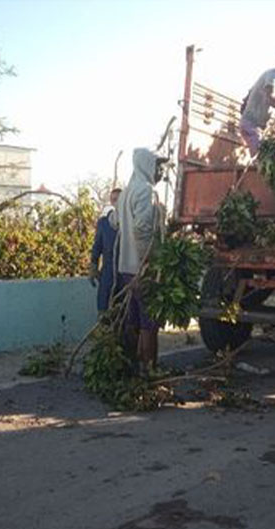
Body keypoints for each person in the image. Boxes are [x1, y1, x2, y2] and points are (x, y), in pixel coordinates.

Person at [116, 148, 167, 375]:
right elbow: (142, 229)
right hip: (141, 267)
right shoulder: (145, 191)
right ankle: (150, 368)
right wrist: (148, 262)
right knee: (149, 323)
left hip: (126, 267)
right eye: (157, 166)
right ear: (147, 165)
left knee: (133, 319)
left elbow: (117, 224)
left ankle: (132, 365)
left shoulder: (126, 192)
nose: (160, 171)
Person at [90, 188, 122, 313]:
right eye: (114, 199)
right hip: (107, 273)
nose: (116, 202)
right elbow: (97, 246)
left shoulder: (131, 223)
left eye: (119, 199)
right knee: (104, 308)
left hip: (125, 274)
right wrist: (93, 266)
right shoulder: (104, 223)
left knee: (124, 313)